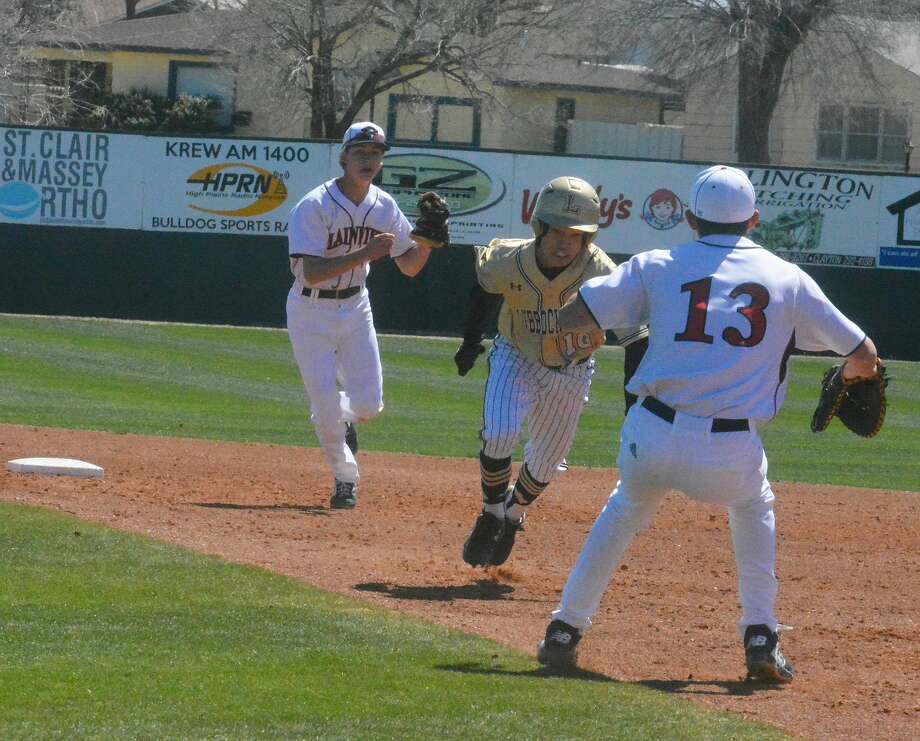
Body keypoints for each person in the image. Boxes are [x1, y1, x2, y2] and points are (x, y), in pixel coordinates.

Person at [536, 165, 879, 683]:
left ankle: (565, 629)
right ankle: (760, 636)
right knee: (753, 507)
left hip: (651, 432)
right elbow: (864, 354)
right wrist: (853, 374)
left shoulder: (656, 264)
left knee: (623, 509)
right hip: (731, 448)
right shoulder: (787, 277)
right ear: (754, 220)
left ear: (690, 218)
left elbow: (571, 319)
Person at [454, 176, 648, 568]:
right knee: (499, 431)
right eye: (556, 231)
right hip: (515, 353)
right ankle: (492, 513)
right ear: (539, 227)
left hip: (572, 370)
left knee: (545, 463)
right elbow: (483, 291)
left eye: (574, 235)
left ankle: (511, 515)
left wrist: (636, 405)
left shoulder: (602, 273)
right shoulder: (508, 259)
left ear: (587, 239)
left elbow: (636, 339)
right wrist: (471, 341)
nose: (563, 243)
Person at [286, 122, 433, 509]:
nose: (369, 160)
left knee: (368, 405)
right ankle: (344, 478)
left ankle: (331, 416)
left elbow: (410, 265)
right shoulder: (314, 205)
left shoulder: (384, 206)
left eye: (376, 153)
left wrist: (430, 240)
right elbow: (310, 272)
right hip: (310, 308)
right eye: (361, 152)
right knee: (325, 402)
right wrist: (366, 254)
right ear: (344, 157)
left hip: (355, 306)